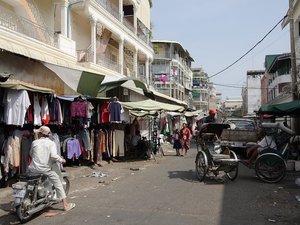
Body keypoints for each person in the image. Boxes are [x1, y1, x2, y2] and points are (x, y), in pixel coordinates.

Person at [28, 126, 76, 211]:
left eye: (38, 133)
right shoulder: (51, 143)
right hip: (45, 169)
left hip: (32, 169)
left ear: (40, 134)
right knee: (58, 182)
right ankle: (65, 205)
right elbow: (54, 156)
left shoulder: (34, 142)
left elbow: (31, 154)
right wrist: (62, 160)